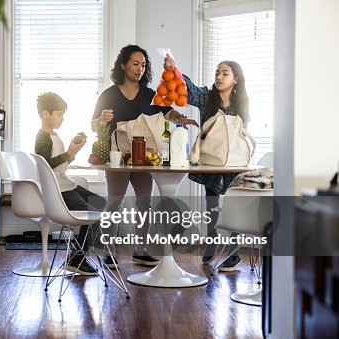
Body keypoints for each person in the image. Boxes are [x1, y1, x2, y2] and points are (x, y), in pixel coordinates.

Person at [92, 45, 198, 268]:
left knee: (144, 202)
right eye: (135, 63)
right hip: (117, 157)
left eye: (143, 65)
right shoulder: (109, 94)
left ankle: (140, 250)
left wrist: (182, 119)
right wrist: (102, 118)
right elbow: (94, 125)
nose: (140, 68)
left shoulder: (149, 94)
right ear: (123, 65)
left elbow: (167, 112)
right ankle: (108, 252)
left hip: (144, 156)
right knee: (114, 203)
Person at [166, 55, 250, 271]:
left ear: (236, 79)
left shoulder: (242, 103)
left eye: (225, 73)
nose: (219, 77)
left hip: (234, 162)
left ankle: (233, 251)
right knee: (211, 203)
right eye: (217, 73)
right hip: (211, 160)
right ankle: (211, 240)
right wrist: (174, 70)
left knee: (234, 204)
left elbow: (242, 134)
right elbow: (188, 90)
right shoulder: (206, 97)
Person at [35, 92, 106, 275]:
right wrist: (68, 154)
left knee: (102, 204)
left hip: (66, 184)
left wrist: (73, 152)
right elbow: (46, 166)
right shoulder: (42, 137)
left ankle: (77, 254)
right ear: (45, 114)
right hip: (58, 190)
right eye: (59, 114)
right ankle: (77, 258)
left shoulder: (53, 136)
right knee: (92, 215)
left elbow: (59, 165)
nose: (62, 119)